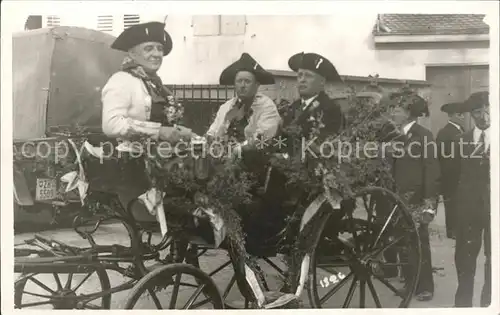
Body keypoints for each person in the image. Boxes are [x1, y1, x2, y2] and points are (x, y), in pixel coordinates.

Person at [98, 21, 194, 210]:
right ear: (132, 53)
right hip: (136, 167)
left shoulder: (155, 84)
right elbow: (111, 124)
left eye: (159, 48)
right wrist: (159, 131)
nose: (157, 54)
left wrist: (180, 132)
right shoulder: (122, 81)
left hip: (165, 161)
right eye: (149, 48)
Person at [386, 92, 440, 302]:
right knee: (402, 241)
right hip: (395, 198)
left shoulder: (423, 135)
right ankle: (410, 282)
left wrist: (429, 205)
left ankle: (425, 286)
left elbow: (431, 170)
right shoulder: (392, 135)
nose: (393, 113)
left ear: (409, 114)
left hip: (416, 199)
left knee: (419, 242)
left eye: (397, 110)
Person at [453, 91, 490, 307]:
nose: (484, 116)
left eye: (488, 110)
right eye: (478, 112)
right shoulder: (461, 141)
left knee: (494, 259)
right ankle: (463, 306)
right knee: (465, 259)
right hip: (468, 211)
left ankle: (489, 303)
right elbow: (451, 179)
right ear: (471, 115)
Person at [436, 102, 466, 239]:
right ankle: (452, 231)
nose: (463, 117)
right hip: (450, 176)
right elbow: (440, 156)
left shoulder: (462, 130)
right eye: (460, 114)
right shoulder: (444, 133)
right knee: (451, 204)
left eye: (463, 114)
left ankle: (459, 228)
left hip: (462, 175)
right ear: (451, 115)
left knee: (460, 203)